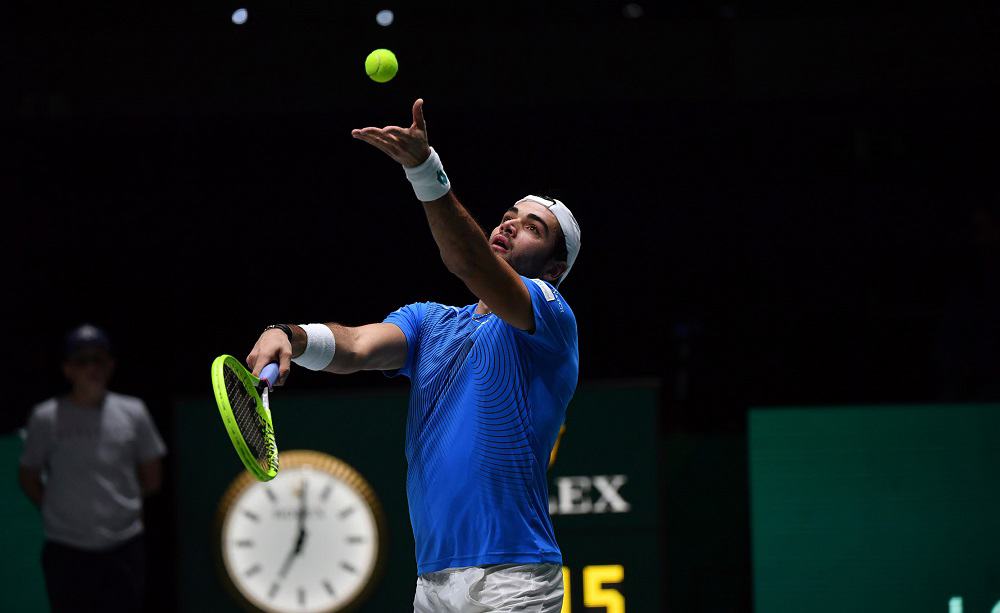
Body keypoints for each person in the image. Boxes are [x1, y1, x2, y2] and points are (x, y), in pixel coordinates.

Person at [246, 98, 581, 612]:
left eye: (533, 228)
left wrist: (425, 171)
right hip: (432, 581)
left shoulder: (550, 317)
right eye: (510, 217)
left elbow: (468, 262)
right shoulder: (430, 322)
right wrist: (289, 335)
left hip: (512, 577)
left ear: (555, 269)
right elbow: (355, 347)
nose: (511, 226)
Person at [18, 324, 167, 613]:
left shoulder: (133, 411)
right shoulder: (45, 417)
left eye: (98, 359)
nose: (91, 368)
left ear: (110, 365)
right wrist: (56, 508)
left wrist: (117, 509)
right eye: (82, 361)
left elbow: (152, 478)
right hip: (66, 548)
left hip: (123, 545)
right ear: (67, 369)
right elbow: (28, 476)